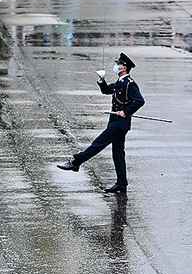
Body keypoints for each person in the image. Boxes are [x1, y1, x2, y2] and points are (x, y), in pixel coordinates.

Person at [57, 52, 145, 194]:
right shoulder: (120, 82)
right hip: (114, 122)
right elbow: (106, 91)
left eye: (118, 64)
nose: (115, 66)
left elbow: (140, 101)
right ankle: (122, 184)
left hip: (120, 124)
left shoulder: (130, 84)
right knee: (117, 153)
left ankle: (75, 162)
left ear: (124, 67)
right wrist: (101, 80)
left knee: (98, 144)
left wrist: (126, 111)